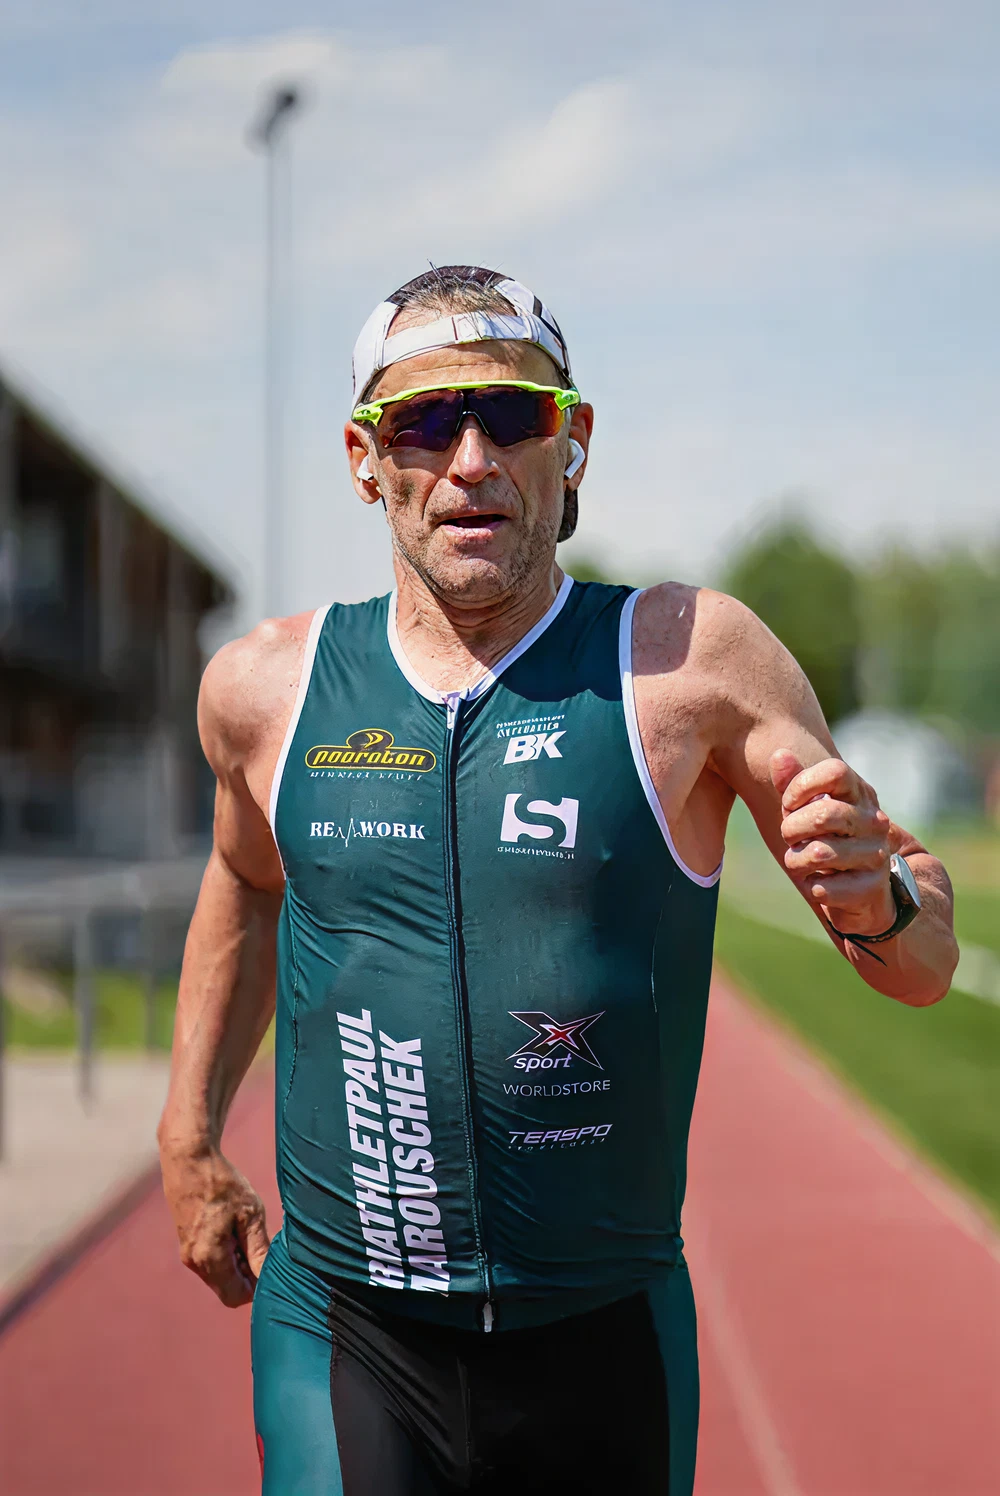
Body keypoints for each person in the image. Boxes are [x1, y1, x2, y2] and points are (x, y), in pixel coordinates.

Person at [158, 266, 958, 1495]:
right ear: (366, 458)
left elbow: (921, 960)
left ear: (571, 442)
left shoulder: (691, 661)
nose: (470, 457)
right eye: (426, 422)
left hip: (604, 1338)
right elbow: (244, 882)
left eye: (512, 416)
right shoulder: (265, 691)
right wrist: (188, 1127)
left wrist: (880, 901)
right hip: (346, 1325)